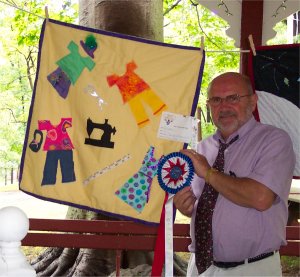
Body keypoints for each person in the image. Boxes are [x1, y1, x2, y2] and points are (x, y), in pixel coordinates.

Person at [174, 72, 296, 276]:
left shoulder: (274, 141)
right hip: (201, 267)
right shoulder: (202, 149)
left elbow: (260, 198)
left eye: (233, 98)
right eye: (216, 100)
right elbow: (202, 206)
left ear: (253, 101)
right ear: (209, 105)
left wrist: (209, 173)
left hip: (251, 268)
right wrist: (185, 207)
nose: (224, 107)